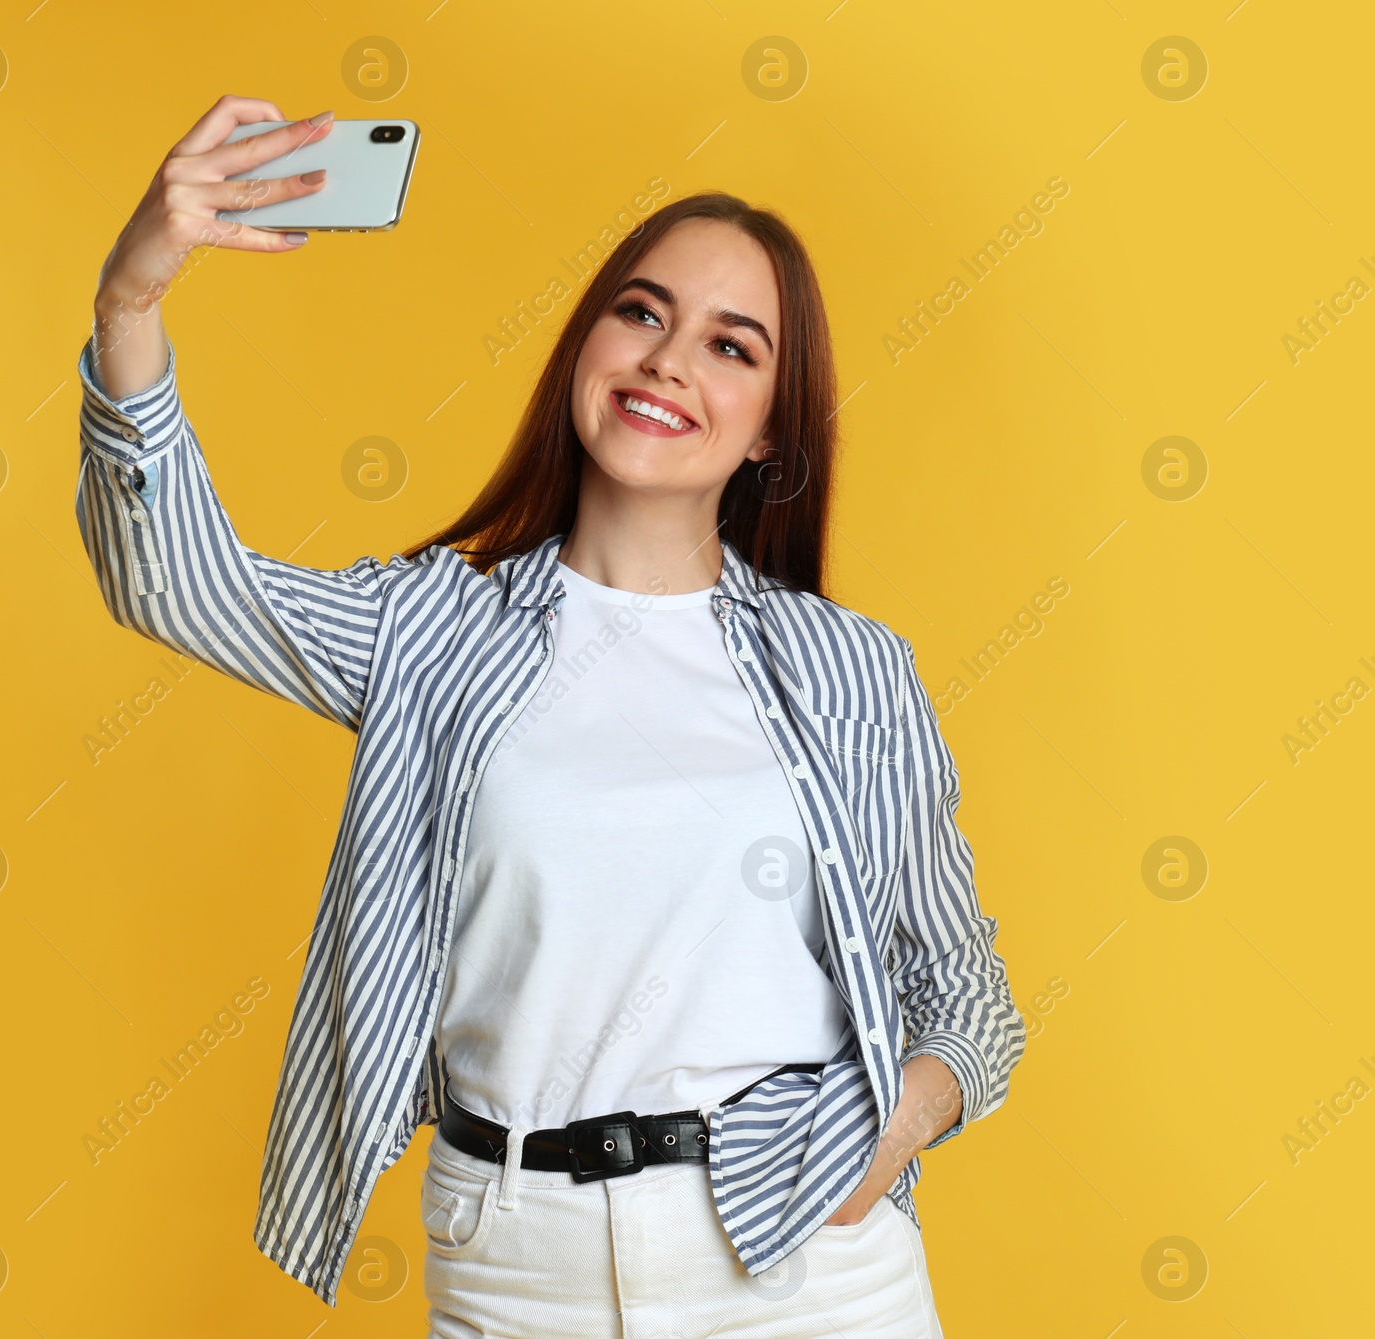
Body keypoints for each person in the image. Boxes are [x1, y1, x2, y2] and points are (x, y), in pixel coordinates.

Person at [78, 94, 1026, 1339]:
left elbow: (964, 989)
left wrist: (889, 1132)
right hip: (518, 1261)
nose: (669, 360)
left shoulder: (848, 671)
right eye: (641, 313)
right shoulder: (436, 634)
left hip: (801, 1267)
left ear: (768, 433)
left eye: (732, 347)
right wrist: (130, 302)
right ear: (582, 346)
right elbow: (175, 582)